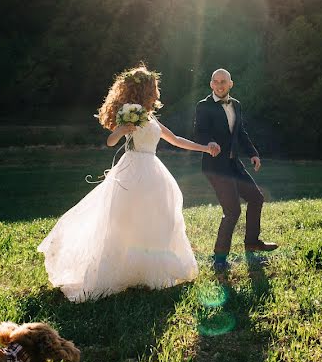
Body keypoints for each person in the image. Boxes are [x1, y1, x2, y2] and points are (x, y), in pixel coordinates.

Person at [38, 65, 220, 302]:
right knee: (126, 219)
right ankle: (123, 270)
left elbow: (175, 140)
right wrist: (123, 128)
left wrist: (205, 148)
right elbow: (112, 141)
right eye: (153, 88)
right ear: (144, 90)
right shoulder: (130, 112)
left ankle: (150, 272)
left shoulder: (150, 116)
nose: (157, 92)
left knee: (158, 217)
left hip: (153, 170)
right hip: (133, 169)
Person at [194, 68, 277, 274]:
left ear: (231, 84)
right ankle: (219, 258)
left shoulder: (236, 105)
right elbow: (200, 132)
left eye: (224, 81)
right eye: (216, 81)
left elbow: (240, 132)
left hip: (233, 164)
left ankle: (252, 243)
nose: (220, 85)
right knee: (232, 211)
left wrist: (253, 153)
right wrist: (209, 141)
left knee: (256, 198)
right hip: (215, 167)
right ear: (211, 84)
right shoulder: (203, 106)